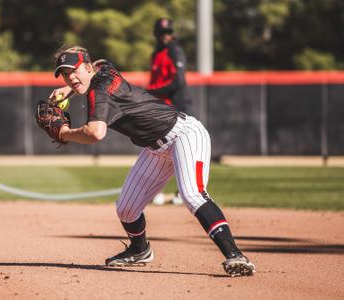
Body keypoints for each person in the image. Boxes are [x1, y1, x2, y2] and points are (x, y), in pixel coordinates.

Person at [41, 45, 256, 276]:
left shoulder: (99, 91)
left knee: (193, 194)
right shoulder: (104, 70)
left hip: (184, 134)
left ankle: (235, 255)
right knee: (126, 208)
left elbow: (96, 133)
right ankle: (139, 250)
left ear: (86, 66)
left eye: (73, 71)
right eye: (64, 74)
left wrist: (63, 133)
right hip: (155, 149)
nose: (70, 77)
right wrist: (69, 89)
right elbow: (102, 60)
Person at [148, 18, 191, 206]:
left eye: (168, 32)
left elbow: (179, 81)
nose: (166, 35)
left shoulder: (175, 50)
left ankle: (184, 193)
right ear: (156, 34)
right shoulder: (156, 53)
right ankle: (154, 191)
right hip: (162, 107)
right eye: (162, 32)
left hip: (178, 106)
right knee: (156, 150)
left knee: (183, 151)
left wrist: (154, 91)